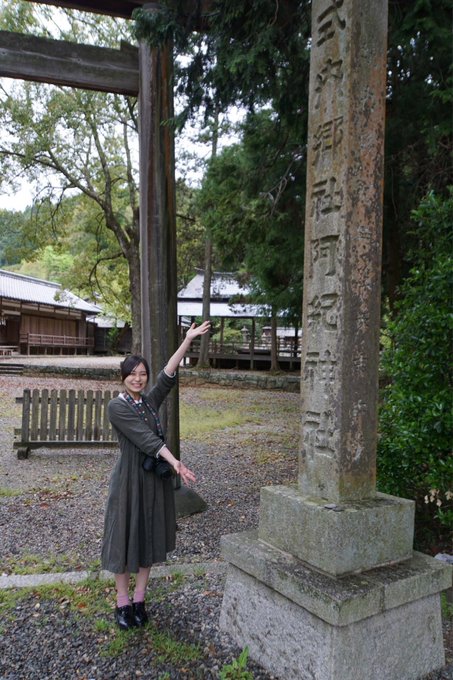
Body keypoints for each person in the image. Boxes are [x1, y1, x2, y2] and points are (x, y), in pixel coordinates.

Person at [101, 320, 211, 630]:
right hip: (128, 481)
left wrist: (186, 340)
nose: (138, 379)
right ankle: (122, 602)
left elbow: (167, 375)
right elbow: (146, 440)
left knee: (148, 537)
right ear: (123, 377)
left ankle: (139, 599)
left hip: (151, 481)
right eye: (132, 374)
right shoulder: (117, 407)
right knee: (124, 537)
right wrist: (175, 462)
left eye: (142, 374)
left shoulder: (148, 403)